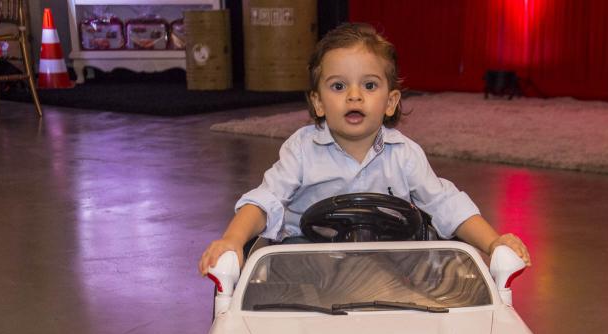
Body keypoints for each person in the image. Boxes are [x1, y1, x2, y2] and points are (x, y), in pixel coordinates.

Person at [199, 22, 530, 275]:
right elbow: (265, 200)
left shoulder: (404, 154)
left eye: (369, 85)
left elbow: (446, 204)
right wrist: (232, 240)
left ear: (391, 102)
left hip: (389, 265)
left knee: (435, 278)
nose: (354, 95)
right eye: (338, 86)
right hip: (309, 266)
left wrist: (493, 243)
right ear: (318, 102)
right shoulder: (301, 150)